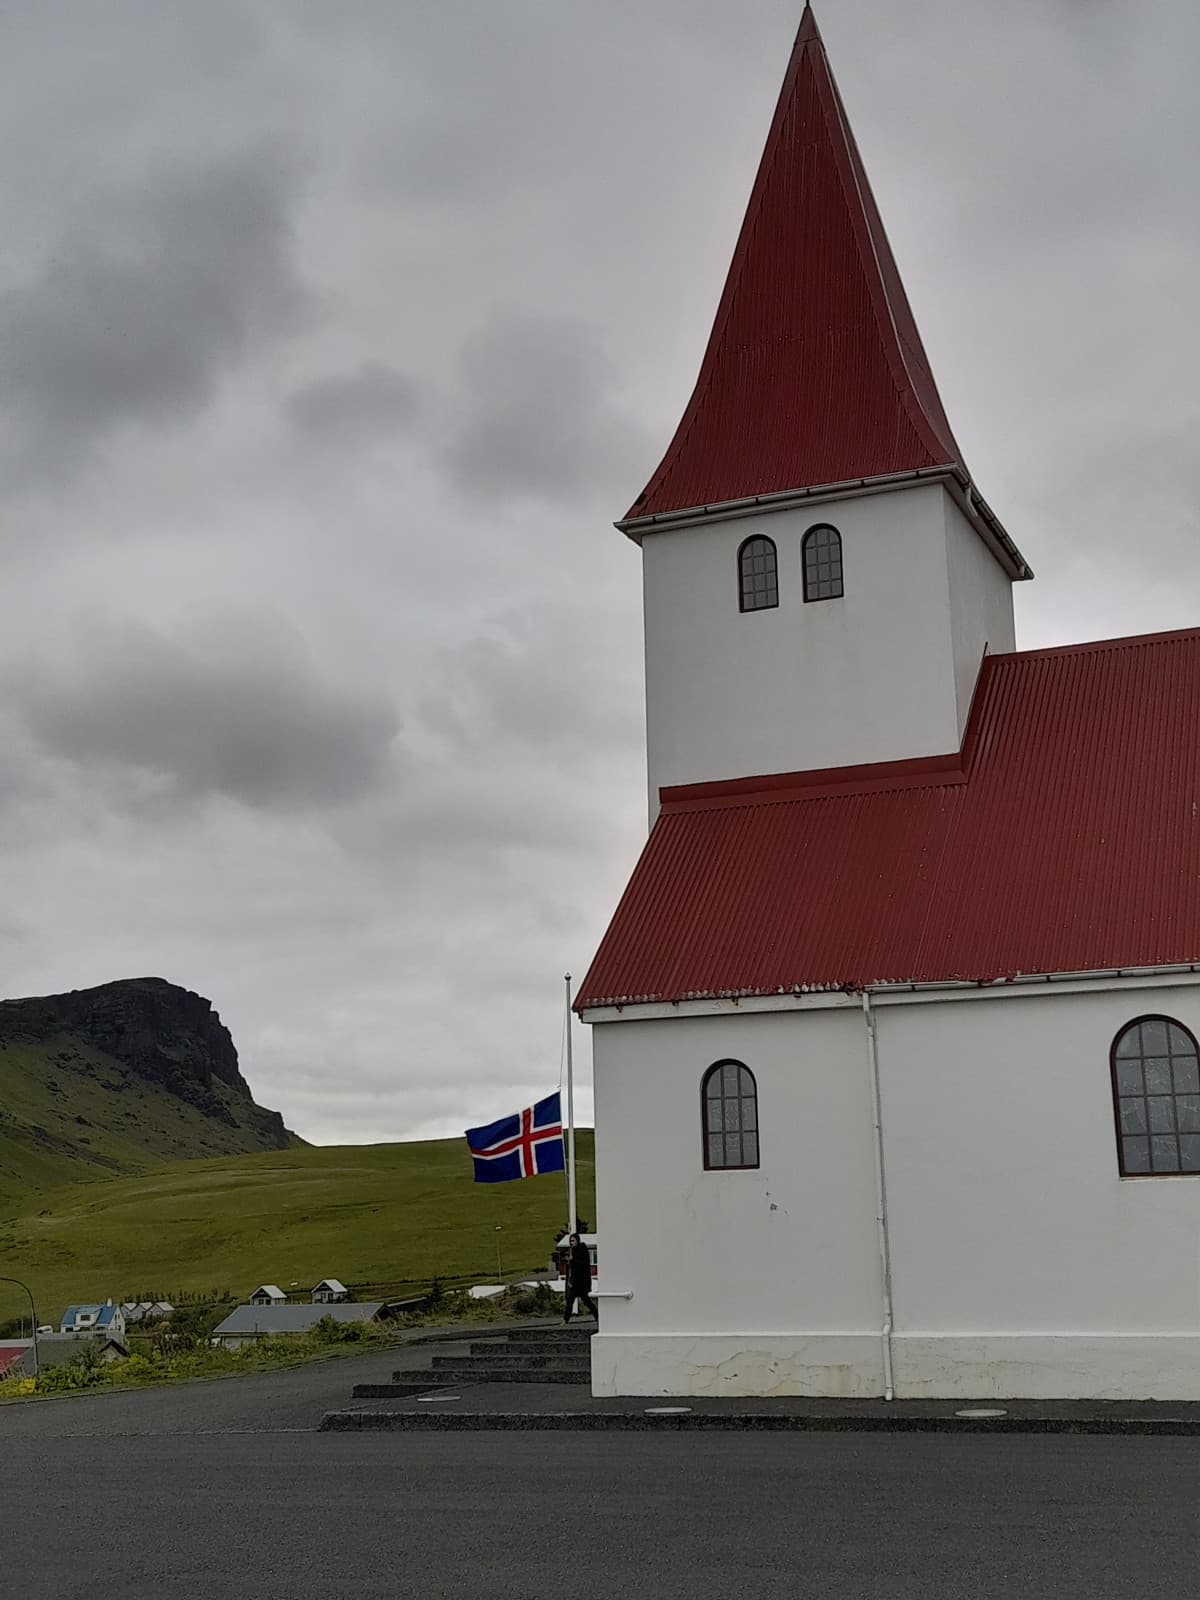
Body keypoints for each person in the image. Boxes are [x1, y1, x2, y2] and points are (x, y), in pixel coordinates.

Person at [563, 1232, 597, 1323]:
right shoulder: (572, 1251)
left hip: (582, 1282)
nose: (571, 1243)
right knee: (570, 1301)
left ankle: (598, 1317)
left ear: (577, 1240)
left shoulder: (582, 1249)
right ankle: (565, 1319)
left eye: (573, 1240)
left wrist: (573, 1260)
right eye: (570, 1241)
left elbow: (584, 1264)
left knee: (586, 1301)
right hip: (575, 1282)